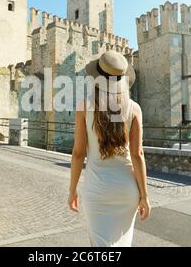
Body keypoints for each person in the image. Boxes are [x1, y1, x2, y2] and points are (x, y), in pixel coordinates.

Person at [68, 50, 151, 247]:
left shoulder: (84, 107)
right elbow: (137, 155)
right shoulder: (134, 108)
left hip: (97, 191)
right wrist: (145, 196)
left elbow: (79, 153)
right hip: (127, 191)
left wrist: (72, 191)